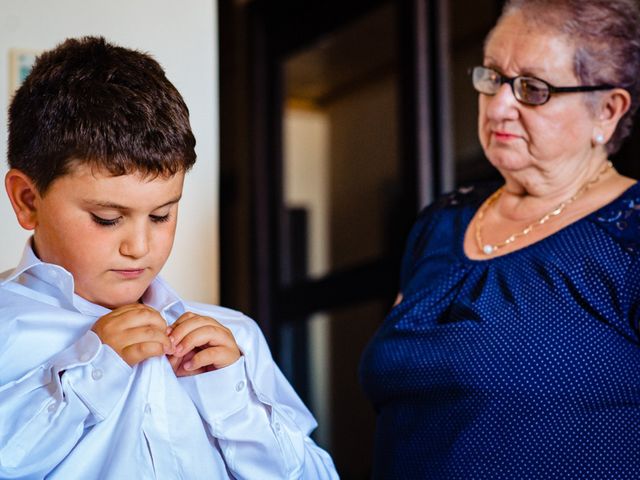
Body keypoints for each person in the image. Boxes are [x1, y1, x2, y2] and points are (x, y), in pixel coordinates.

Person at [0, 36, 338, 479]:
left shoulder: (235, 339)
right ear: (27, 200)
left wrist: (233, 399)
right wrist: (91, 373)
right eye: (106, 218)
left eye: (161, 215)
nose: (140, 247)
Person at [360, 0, 640, 478]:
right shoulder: (440, 224)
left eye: (533, 89)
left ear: (607, 111)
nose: (500, 105)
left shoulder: (629, 235)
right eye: (492, 78)